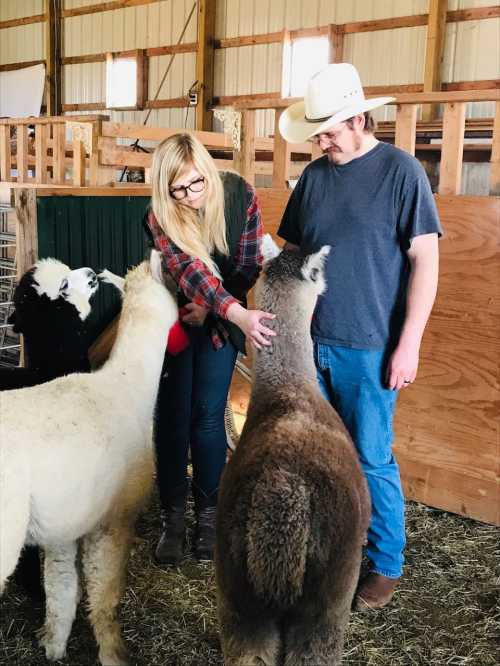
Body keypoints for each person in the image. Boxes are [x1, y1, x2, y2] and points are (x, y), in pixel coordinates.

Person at [277, 63, 442, 610]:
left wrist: (409, 342)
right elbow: (296, 253)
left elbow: (425, 260)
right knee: (320, 454)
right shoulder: (315, 178)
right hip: (312, 340)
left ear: (358, 118)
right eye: (316, 132)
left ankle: (387, 561)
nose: (320, 141)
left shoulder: (401, 173)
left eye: (328, 130)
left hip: (370, 342)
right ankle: (330, 550)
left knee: (371, 456)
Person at [145, 133, 275, 565]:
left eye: (195, 184)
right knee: (172, 417)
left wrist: (218, 309)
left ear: (207, 171)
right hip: (177, 319)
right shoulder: (160, 215)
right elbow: (189, 269)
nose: (188, 197)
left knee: (206, 414)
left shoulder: (240, 195)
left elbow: (249, 263)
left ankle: (207, 519)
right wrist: (218, 307)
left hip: (219, 321)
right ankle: (172, 520)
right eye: (177, 189)